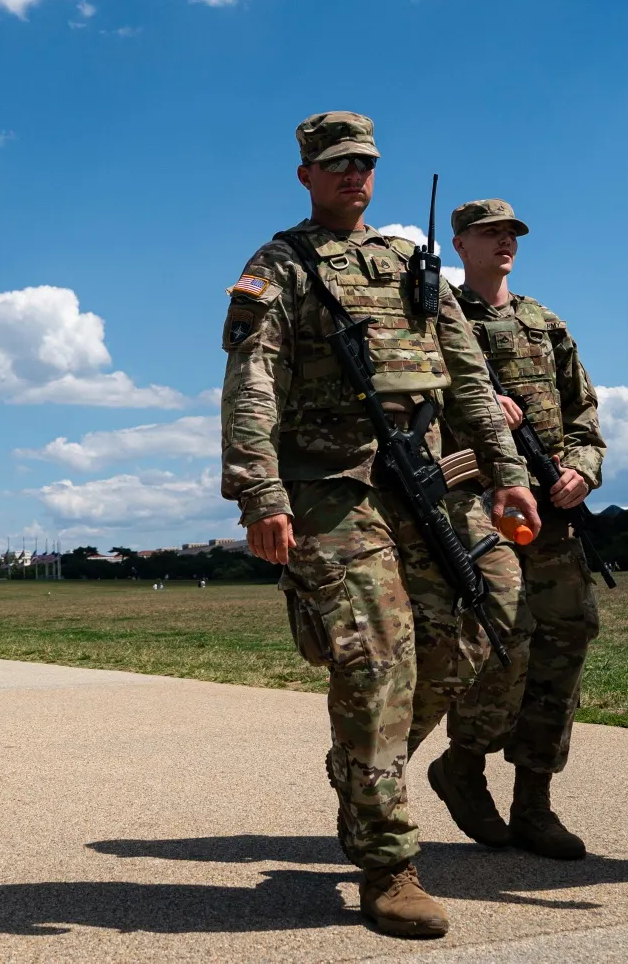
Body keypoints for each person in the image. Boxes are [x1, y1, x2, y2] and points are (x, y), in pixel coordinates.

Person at [220, 111, 539, 940]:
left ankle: (367, 768)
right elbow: (254, 381)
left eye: (363, 163)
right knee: (376, 658)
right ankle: (388, 860)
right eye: (335, 165)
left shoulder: (410, 266)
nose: (352, 176)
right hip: (332, 489)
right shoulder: (280, 266)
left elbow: (468, 373)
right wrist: (262, 495)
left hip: (430, 483)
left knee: (482, 627)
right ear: (306, 175)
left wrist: (506, 473)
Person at [425, 199, 607, 861]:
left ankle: (535, 801)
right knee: (505, 634)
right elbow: (410, 405)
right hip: (477, 500)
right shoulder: (435, 318)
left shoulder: (543, 321)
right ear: (459, 242)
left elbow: (585, 415)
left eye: (511, 234)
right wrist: (467, 400)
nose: (504, 242)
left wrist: (581, 471)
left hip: (553, 512)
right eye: (489, 233)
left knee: (566, 637)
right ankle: (464, 764)